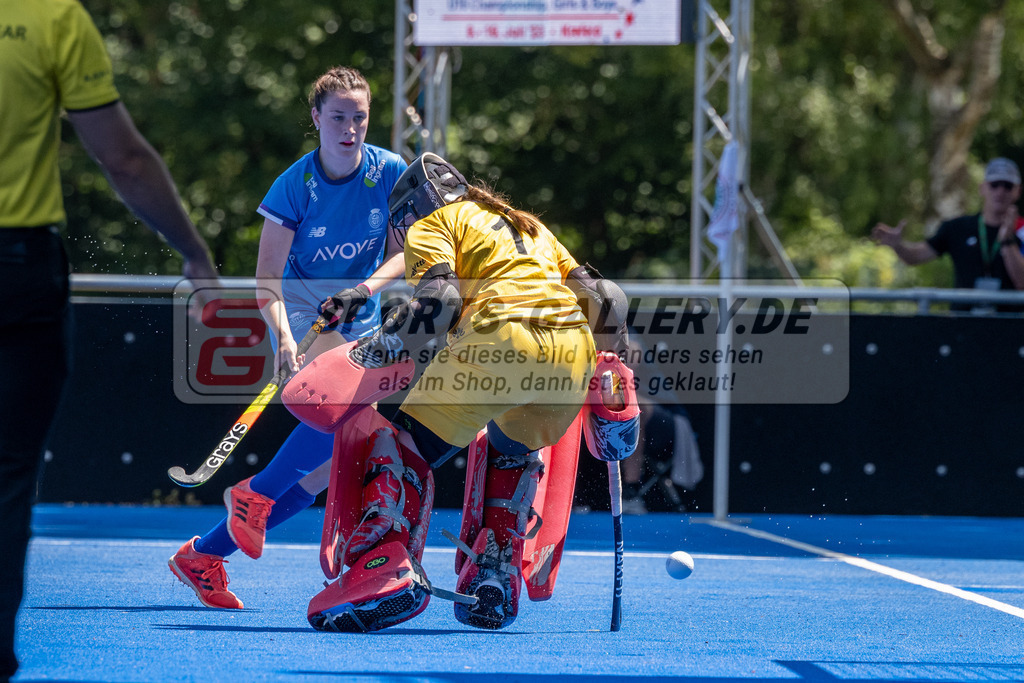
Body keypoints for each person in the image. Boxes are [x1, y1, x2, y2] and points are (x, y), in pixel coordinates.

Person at [277, 153, 632, 632]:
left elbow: (438, 300)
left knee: (399, 444)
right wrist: (616, 370)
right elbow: (607, 299)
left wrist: (375, 350)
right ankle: (495, 573)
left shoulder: (434, 224)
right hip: (571, 355)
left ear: (410, 210)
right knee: (511, 453)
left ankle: (383, 567)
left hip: (500, 341)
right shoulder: (527, 225)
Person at [0, 2, 219, 680]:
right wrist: (193, 253)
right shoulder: (49, 16)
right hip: (15, 271)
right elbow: (123, 158)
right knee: (6, 473)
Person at [168, 67, 408, 610]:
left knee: (327, 469)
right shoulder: (294, 186)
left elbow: (403, 253)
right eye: (339, 117)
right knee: (341, 411)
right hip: (303, 311)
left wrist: (364, 289)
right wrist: (282, 340)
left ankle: (204, 553)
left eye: (360, 117)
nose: (351, 128)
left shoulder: (389, 171)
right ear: (317, 119)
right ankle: (251, 496)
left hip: (361, 311)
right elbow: (267, 283)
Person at [872, 157, 1024, 312]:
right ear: (982, 188)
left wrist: (1007, 240)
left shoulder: (1021, 230)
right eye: (994, 185)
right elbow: (916, 256)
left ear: (1018, 191)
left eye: (1007, 186)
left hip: (1010, 326)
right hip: (963, 323)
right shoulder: (958, 228)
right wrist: (898, 245)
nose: (1000, 191)